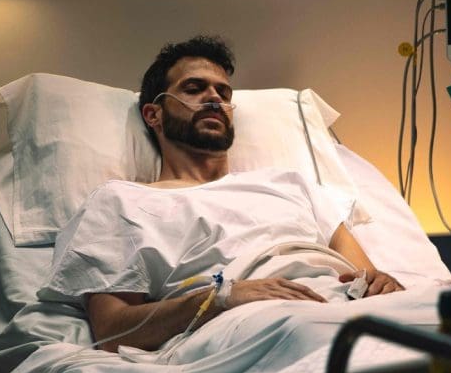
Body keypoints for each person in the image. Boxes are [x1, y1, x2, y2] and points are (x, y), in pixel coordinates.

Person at [41, 36, 403, 353]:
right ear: (153, 115)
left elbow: (365, 277)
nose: (214, 98)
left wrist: (384, 284)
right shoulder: (121, 203)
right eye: (194, 89)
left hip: (348, 308)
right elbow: (113, 331)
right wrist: (221, 299)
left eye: (223, 92)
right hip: (253, 323)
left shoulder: (291, 184)